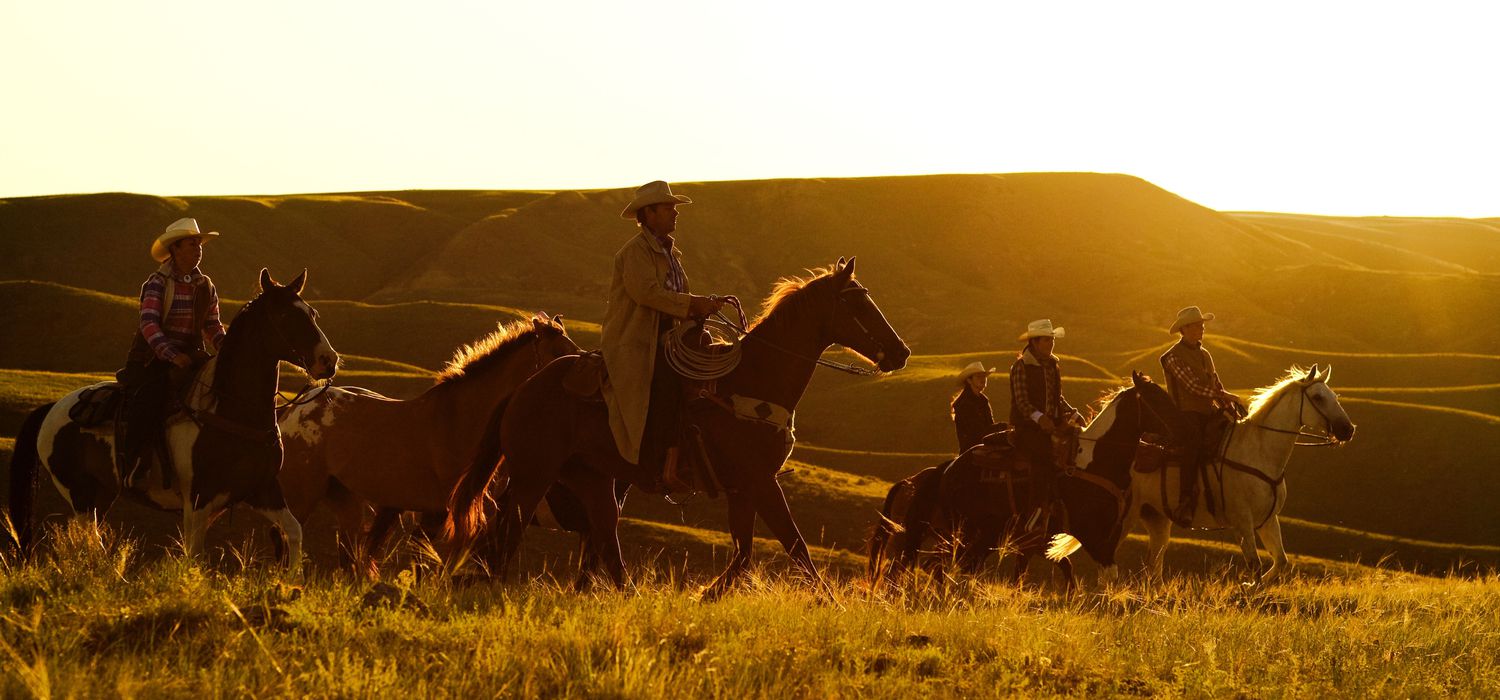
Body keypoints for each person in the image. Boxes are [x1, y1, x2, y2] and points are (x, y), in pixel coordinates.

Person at [601, 181, 726, 491]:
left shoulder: (670, 253)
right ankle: (662, 463)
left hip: (669, 339)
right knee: (669, 380)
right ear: (650, 213)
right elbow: (647, 293)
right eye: (669, 208)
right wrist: (692, 304)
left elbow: (675, 294)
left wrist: (700, 305)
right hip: (636, 342)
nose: (675, 214)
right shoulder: (634, 253)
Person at [117, 217, 226, 486]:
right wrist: (171, 354)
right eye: (192, 244)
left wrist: (225, 346)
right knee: (149, 400)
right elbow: (149, 324)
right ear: (176, 249)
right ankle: (136, 465)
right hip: (153, 358)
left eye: (200, 244)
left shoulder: (205, 285)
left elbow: (212, 325)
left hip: (191, 356)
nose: (199, 249)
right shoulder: (157, 282)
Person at [1159, 305, 1246, 523]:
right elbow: (1193, 387)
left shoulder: (1205, 355)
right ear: (1184, 329)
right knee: (1194, 444)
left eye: (1202, 325)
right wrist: (1227, 396)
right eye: (1197, 326)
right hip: (1185, 414)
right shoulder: (1171, 357)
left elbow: (1215, 383)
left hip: (1208, 411)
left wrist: (1227, 404)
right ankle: (1185, 500)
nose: (1202, 329)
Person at [1008, 319, 1079, 529]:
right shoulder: (1021, 366)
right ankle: (1035, 512)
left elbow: (1057, 398)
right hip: (1027, 428)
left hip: (1051, 424)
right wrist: (1040, 418)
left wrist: (1072, 412)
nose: (1051, 344)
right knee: (1043, 456)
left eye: (1052, 340)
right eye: (1047, 340)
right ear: (1035, 342)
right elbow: (1022, 402)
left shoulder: (1052, 365)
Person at [951, 361, 1006, 453]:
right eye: (978, 377)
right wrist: (1003, 427)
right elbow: (977, 431)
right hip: (971, 450)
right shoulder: (964, 403)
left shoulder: (983, 400)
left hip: (984, 446)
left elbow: (989, 426)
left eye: (984, 376)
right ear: (969, 380)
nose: (983, 379)